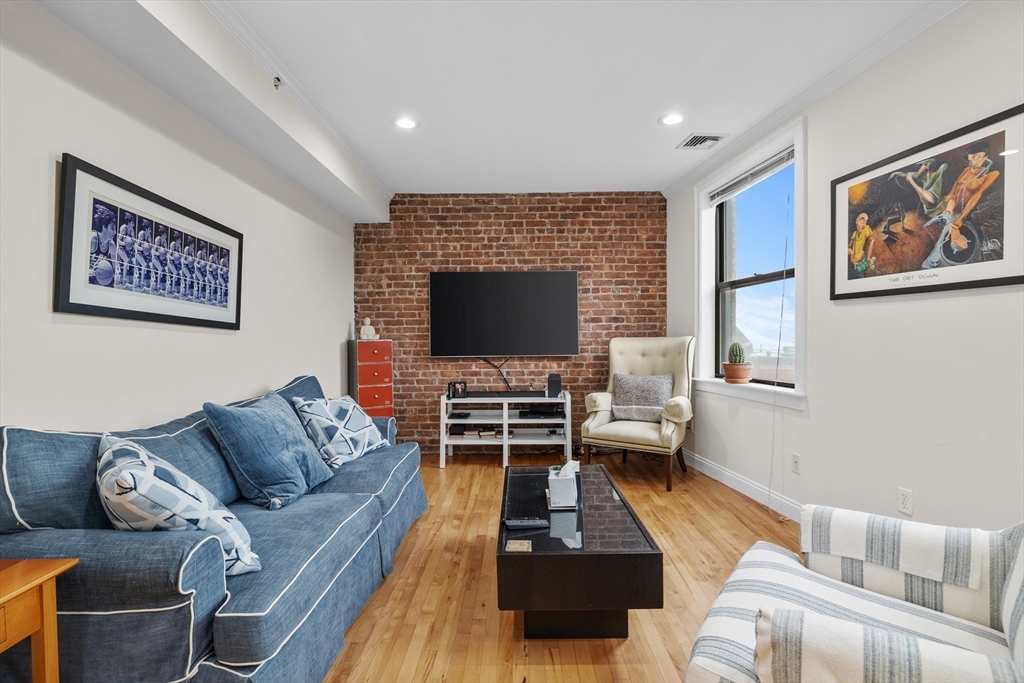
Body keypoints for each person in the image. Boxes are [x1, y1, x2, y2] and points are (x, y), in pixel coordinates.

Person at [926, 139, 999, 252]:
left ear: (985, 157)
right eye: (971, 158)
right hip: (951, 213)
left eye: (977, 156)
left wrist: (957, 223)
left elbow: (976, 196)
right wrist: (949, 207)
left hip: (966, 216)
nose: (973, 161)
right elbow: (953, 192)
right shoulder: (966, 170)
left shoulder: (992, 174)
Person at [89, 206, 116, 286]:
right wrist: (92, 272)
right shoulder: (92, 239)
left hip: (99, 283)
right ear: (104, 227)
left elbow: (113, 272)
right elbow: (76, 267)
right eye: (112, 228)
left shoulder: (111, 245)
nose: (114, 232)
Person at [847, 212, 875, 278]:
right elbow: (849, 246)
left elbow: (872, 241)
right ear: (857, 222)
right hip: (853, 262)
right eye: (862, 222)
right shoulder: (854, 234)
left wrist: (868, 257)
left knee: (859, 277)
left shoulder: (866, 229)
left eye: (865, 222)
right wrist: (851, 253)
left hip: (861, 260)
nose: (864, 225)